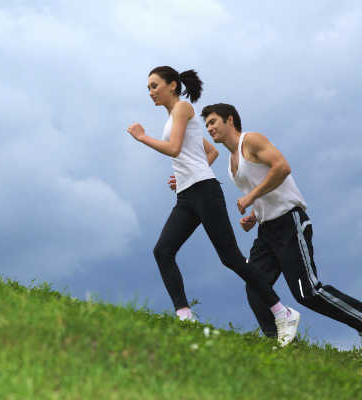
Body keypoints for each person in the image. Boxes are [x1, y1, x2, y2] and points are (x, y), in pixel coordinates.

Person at [127, 66, 300, 346]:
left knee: (230, 257)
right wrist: (185, 174)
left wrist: (141, 137)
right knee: (163, 250)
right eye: (148, 88)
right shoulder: (174, 117)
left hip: (205, 192)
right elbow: (211, 151)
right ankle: (185, 316)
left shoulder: (182, 108)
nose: (150, 92)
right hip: (187, 194)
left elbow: (173, 149)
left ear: (173, 85)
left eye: (154, 86)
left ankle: (283, 312)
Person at [201, 103, 362, 340]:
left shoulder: (252, 141)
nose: (209, 128)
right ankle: (280, 343)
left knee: (307, 292)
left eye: (213, 122)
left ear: (230, 120)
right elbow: (262, 187)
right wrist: (254, 216)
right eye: (206, 125)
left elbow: (282, 168)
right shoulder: (231, 162)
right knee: (256, 287)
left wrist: (251, 197)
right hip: (267, 231)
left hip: (289, 223)